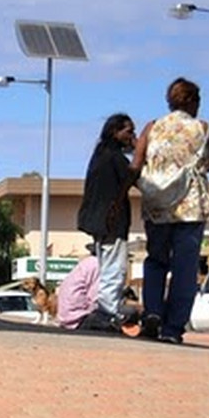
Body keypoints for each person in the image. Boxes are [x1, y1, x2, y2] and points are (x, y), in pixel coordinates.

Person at [134, 77, 209, 345]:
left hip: (157, 207)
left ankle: (153, 312)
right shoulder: (204, 128)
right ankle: (173, 328)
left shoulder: (152, 127)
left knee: (156, 261)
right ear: (192, 101)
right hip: (190, 209)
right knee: (184, 268)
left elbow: (136, 163)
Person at [76, 113, 139, 322]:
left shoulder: (100, 155)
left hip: (98, 222)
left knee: (106, 268)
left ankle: (105, 309)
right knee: (115, 269)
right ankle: (108, 313)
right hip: (112, 222)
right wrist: (140, 151)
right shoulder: (115, 158)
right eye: (128, 131)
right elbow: (136, 178)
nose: (132, 136)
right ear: (115, 132)